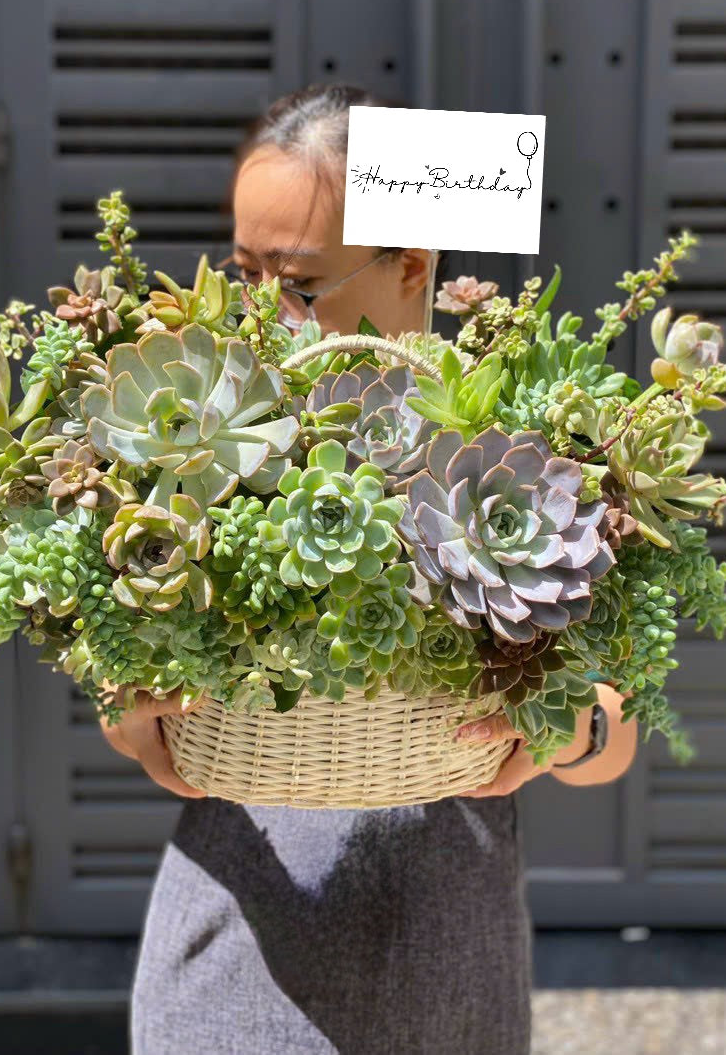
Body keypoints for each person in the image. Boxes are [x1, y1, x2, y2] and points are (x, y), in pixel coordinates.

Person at [103, 83, 640, 1054]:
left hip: (446, 951)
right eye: (242, 272)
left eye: (299, 283)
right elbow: (124, 674)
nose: (261, 314)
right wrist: (125, 710)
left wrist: (566, 727)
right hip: (238, 946)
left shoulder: (513, 443)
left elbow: (616, 730)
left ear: (411, 264)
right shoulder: (200, 438)